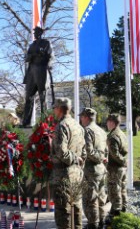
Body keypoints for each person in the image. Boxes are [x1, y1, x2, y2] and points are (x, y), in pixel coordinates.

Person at [50, 97, 86, 229]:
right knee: (76, 209)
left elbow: (61, 152)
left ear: (59, 109)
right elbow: (84, 150)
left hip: (63, 175)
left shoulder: (62, 126)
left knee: (63, 212)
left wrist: (74, 159)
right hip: (77, 173)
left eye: (54, 108)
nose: (54, 110)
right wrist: (78, 162)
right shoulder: (77, 125)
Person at [79, 108, 108, 229]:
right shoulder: (101, 131)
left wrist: (99, 158)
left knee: (90, 200)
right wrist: (103, 158)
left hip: (91, 170)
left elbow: (88, 151)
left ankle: (93, 224)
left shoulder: (87, 131)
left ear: (86, 117)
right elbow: (106, 150)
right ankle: (101, 222)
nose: (80, 119)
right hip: (101, 170)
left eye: (81, 116)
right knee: (101, 198)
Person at [22, 26, 54, 127]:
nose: (35, 34)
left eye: (36, 32)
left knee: (42, 97)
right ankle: (26, 122)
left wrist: (45, 60)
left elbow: (51, 57)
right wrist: (31, 56)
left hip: (41, 71)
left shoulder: (46, 43)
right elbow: (26, 58)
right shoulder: (32, 45)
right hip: (31, 72)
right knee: (29, 98)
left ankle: (44, 122)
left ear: (40, 33)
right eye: (34, 32)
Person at [106, 114, 128, 220]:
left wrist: (122, 161)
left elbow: (114, 154)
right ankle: (123, 209)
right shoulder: (121, 133)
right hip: (122, 168)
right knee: (122, 189)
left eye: (108, 121)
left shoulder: (112, 136)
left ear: (112, 122)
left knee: (114, 191)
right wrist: (124, 162)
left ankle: (116, 213)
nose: (107, 124)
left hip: (115, 168)